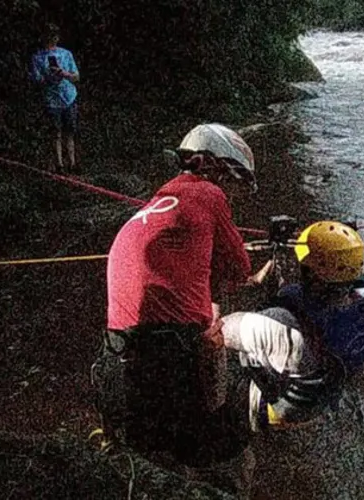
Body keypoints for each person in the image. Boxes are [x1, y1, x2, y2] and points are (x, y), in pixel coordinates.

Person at [96, 123, 273, 471]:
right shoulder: (208, 195)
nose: (232, 194)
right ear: (214, 167)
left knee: (146, 456)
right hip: (168, 352)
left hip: (117, 351)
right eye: (233, 181)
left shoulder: (159, 201)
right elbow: (238, 269)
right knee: (231, 455)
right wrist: (256, 276)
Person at [220, 221, 364, 433]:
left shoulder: (280, 321)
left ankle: (249, 423)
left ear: (309, 274)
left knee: (231, 358)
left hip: (286, 410)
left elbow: (219, 331)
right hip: (326, 394)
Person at [29, 23, 80, 172]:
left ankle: (72, 163)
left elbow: (76, 76)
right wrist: (48, 76)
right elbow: (37, 80)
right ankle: (60, 165)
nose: (52, 39)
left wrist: (63, 73)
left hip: (68, 97)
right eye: (49, 36)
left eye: (54, 35)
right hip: (51, 100)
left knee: (70, 131)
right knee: (55, 132)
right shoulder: (37, 57)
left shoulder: (66, 54)